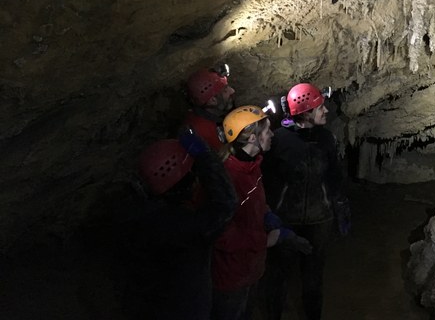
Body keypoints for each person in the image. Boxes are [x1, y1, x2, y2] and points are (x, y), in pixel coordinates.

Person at [212, 105, 310, 320]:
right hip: (231, 276)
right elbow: (220, 235)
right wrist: (264, 240)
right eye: (267, 131)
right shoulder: (226, 179)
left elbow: (254, 203)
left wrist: (267, 215)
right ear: (253, 139)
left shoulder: (252, 166)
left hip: (251, 268)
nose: (272, 134)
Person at [126, 131, 237, 320]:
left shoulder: (142, 218)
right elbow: (225, 205)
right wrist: (205, 158)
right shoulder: (185, 227)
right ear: (185, 182)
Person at [261, 82, 350, 320]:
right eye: (320, 107)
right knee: (279, 274)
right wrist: (268, 214)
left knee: (313, 277)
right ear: (306, 112)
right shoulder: (278, 140)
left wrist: (340, 205)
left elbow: (334, 175)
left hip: (319, 219)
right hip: (286, 219)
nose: (326, 111)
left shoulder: (326, 138)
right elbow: (265, 178)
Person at [184, 64, 236, 152]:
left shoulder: (210, 114)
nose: (232, 91)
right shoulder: (206, 134)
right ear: (213, 101)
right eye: (225, 90)